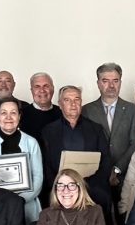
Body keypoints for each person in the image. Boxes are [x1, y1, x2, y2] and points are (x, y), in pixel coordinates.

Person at [40, 86, 113, 214]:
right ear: (60, 104)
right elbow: (47, 166)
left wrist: (86, 185)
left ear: (81, 102)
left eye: (76, 99)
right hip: (61, 189)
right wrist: (62, 186)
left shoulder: (96, 129)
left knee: (103, 200)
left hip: (91, 187)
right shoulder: (49, 131)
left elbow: (106, 160)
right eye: (67, 100)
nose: (73, 104)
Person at [82, 62, 135, 207]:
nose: (111, 85)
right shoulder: (86, 110)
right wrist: (103, 170)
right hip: (95, 176)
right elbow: (86, 145)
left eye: (115, 81)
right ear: (98, 83)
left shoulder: (132, 110)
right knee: (99, 216)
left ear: (120, 82)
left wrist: (117, 169)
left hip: (125, 175)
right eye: (105, 81)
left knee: (125, 214)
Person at [0, 98, 44, 225]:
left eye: (13, 112)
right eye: (3, 113)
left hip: (26, 205)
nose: (8, 117)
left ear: (19, 116)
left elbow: (38, 177)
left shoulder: (31, 142)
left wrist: (20, 200)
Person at [21, 72, 62, 141]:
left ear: (53, 89)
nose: (42, 90)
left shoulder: (63, 113)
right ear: (32, 90)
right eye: (37, 86)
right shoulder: (21, 115)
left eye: (46, 86)